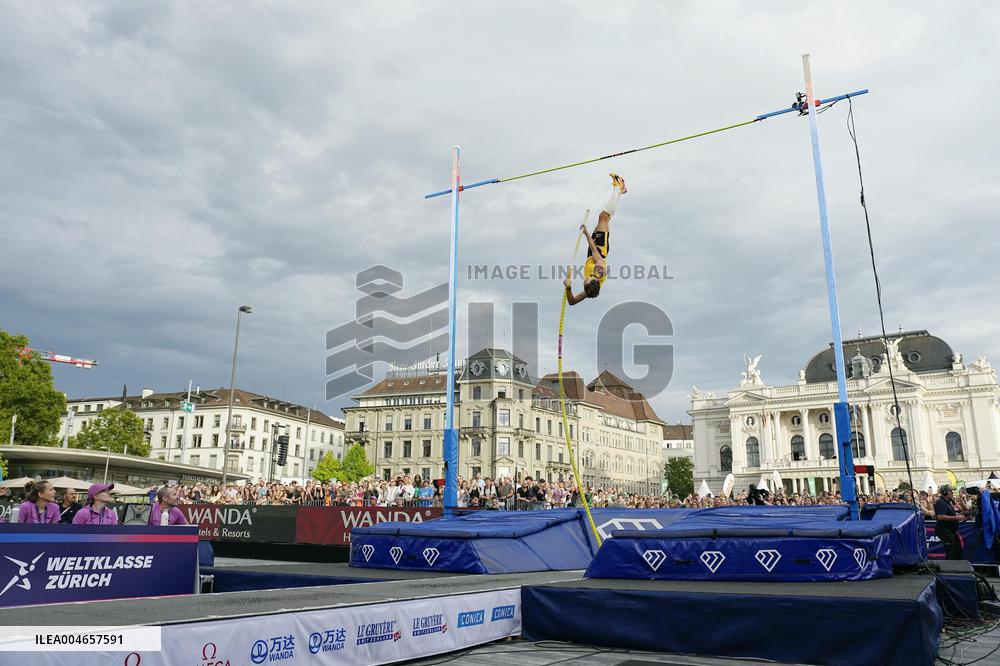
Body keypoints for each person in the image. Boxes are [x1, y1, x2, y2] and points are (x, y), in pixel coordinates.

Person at [564, 173, 627, 305]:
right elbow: (594, 250)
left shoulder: (590, 289)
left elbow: (572, 301)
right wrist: (586, 233)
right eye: (585, 281)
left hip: (591, 255)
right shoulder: (600, 270)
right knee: (603, 216)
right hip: (599, 248)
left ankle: (620, 191)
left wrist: (568, 287)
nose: (583, 281)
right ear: (594, 280)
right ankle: (617, 186)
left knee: (606, 218)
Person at [934, 484, 970, 560]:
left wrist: (961, 514)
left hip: (950, 530)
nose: (952, 492)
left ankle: (955, 567)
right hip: (944, 530)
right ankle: (950, 569)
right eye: (951, 491)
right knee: (951, 552)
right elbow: (940, 516)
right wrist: (956, 517)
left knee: (957, 549)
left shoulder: (947, 502)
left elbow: (950, 514)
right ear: (945, 492)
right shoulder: (941, 502)